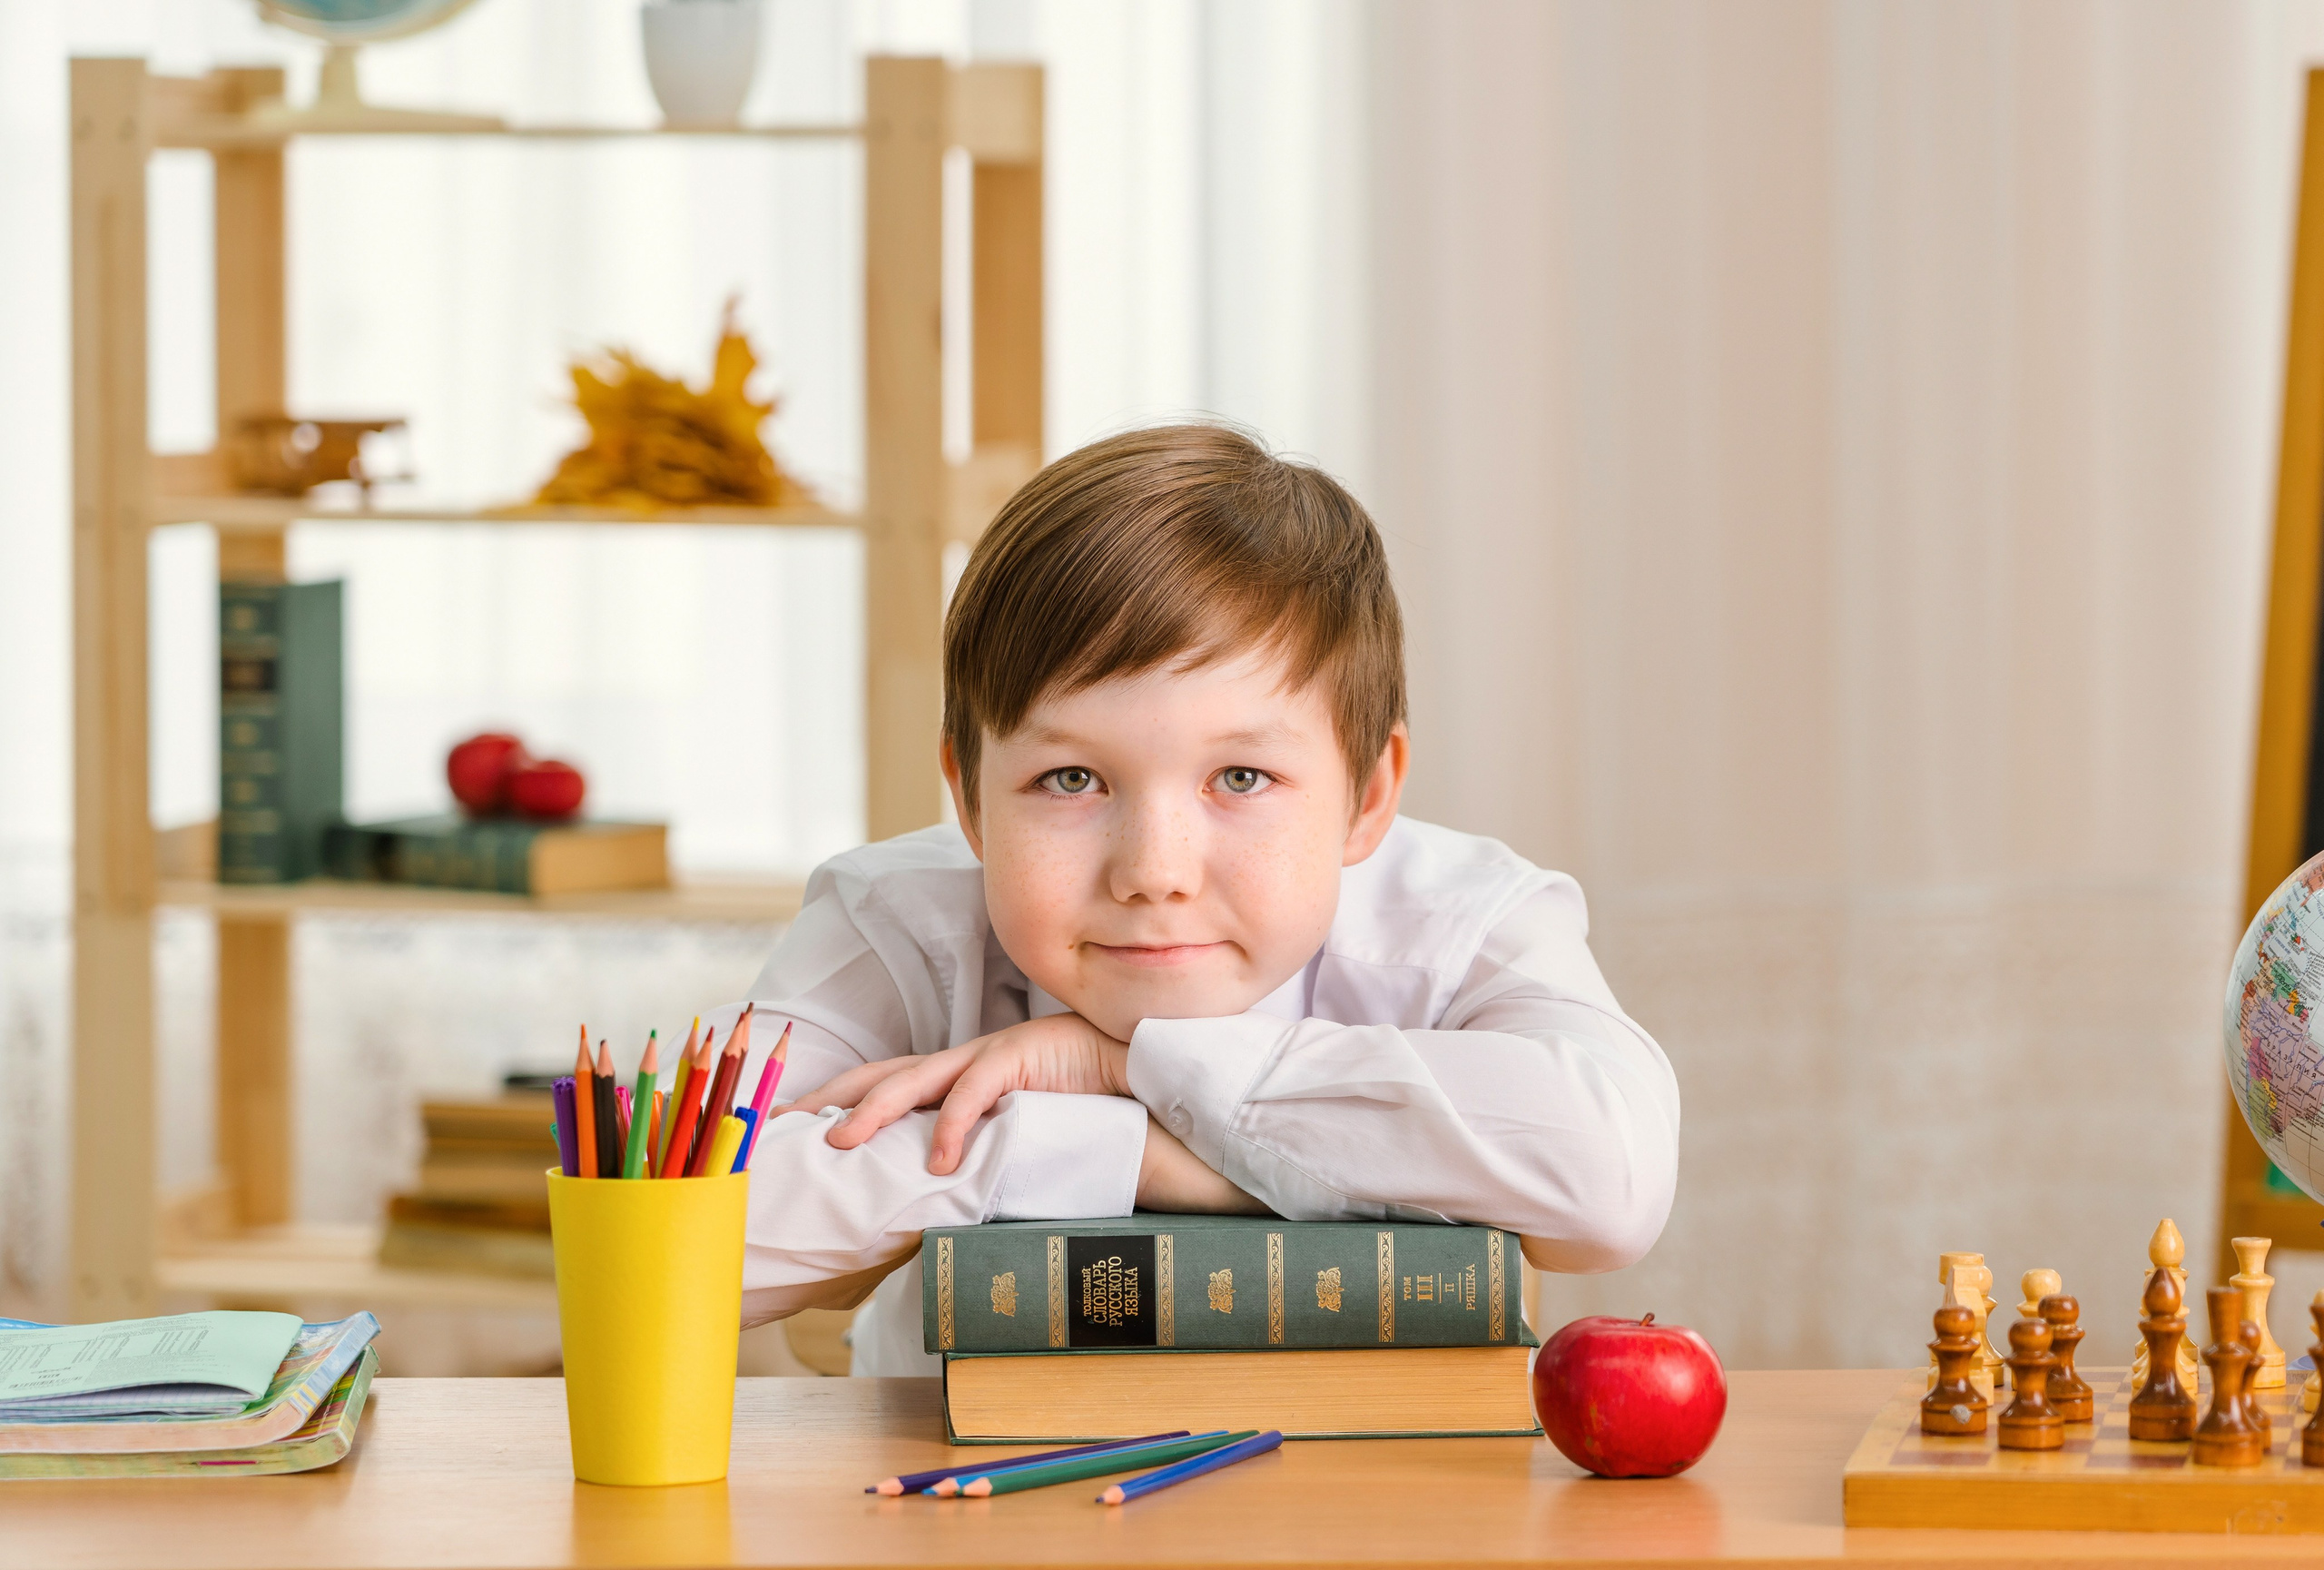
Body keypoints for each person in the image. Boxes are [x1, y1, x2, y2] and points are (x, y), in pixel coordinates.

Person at [722, 422, 1679, 1374]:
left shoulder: (1460, 920)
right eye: (1070, 780)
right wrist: (1104, 1147)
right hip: (950, 1505)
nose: (1153, 870)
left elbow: (1610, 1178)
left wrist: (1120, 1061)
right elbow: (670, 1222)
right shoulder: (900, 919)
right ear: (969, 795)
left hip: (1382, 1513)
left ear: (1369, 794)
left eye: (1241, 778)